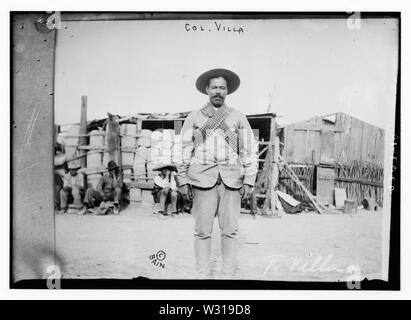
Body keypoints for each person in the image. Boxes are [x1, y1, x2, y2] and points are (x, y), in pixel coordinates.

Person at [177, 68, 258, 278]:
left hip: (231, 181)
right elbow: (184, 149)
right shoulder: (194, 117)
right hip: (202, 180)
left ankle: (227, 277)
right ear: (207, 89)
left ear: (227, 90)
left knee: (230, 232)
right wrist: (183, 179)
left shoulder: (238, 117)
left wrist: (249, 179)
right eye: (214, 87)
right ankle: (202, 276)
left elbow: (249, 149)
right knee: (202, 232)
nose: (218, 92)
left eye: (222, 87)